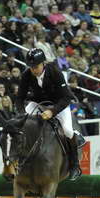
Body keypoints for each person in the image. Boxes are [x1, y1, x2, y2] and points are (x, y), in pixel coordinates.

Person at [15, 48, 85, 181]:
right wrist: (22, 114)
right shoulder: (27, 75)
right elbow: (19, 98)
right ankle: (20, 162)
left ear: (43, 64)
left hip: (59, 105)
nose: (33, 70)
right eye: (31, 67)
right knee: (21, 126)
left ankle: (74, 165)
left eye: (35, 67)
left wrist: (52, 111)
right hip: (38, 104)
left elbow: (66, 98)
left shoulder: (55, 72)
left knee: (68, 130)